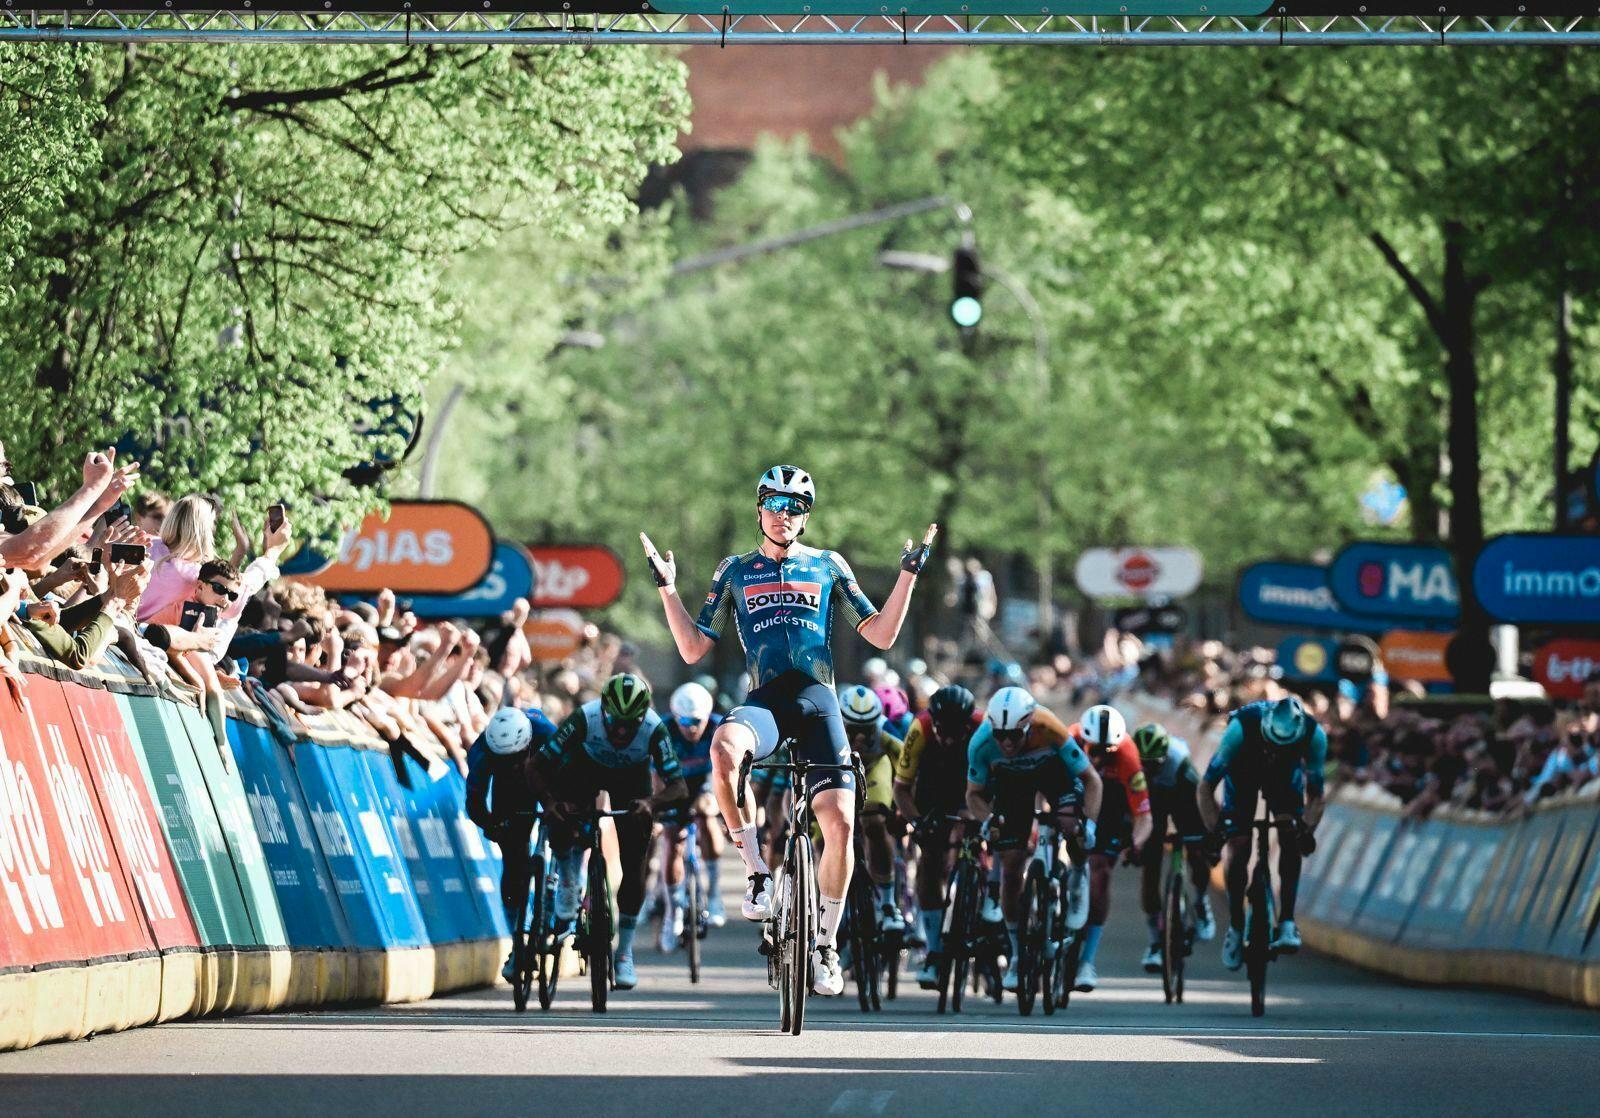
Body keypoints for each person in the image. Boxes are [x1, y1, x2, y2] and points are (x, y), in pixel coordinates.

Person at [641, 464, 935, 996]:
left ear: (806, 517)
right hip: (767, 705)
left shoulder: (828, 565)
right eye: (775, 504)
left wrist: (907, 577)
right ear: (759, 510)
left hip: (818, 703)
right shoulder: (735, 570)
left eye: (796, 507)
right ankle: (757, 872)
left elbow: (881, 635)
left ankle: (825, 945)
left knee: (841, 821)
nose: (784, 515)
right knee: (724, 748)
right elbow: (693, 648)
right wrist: (668, 589)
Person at [529, 673, 688, 992]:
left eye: (630, 725)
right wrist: (549, 803)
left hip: (631, 779)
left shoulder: (654, 728)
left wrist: (651, 803)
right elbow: (537, 766)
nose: (620, 731)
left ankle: (624, 953)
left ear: (643, 717)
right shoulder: (584, 719)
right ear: (603, 712)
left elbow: (679, 787)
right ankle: (569, 877)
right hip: (585, 768)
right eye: (615, 722)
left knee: (635, 864)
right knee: (563, 814)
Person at [965, 686, 1103, 995]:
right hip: (1013, 785)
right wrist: (988, 820)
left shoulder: (1049, 727)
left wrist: (1089, 825)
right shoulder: (981, 742)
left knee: (1070, 824)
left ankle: (1077, 873)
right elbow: (974, 795)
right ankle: (1017, 955)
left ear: (1029, 726)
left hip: (1054, 775)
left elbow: (1092, 780)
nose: (1007, 742)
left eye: (1014, 735)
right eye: (1001, 736)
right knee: (1012, 866)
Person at [1197, 694, 1327, 970]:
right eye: (1273, 745)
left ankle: (1287, 921)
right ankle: (1235, 925)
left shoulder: (1314, 735)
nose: (1276, 751)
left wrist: (1306, 831)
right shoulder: (1240, 729)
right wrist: (1216, 831)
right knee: (1238, 843)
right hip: (1243, 769)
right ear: (1266, 729)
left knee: (1290, 834)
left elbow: (1316, 795)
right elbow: (1206, 787)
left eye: (1284, 747)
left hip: (1284, 776)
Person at [892, 683, 983, 989]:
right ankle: (934, 950)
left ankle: (983, 908)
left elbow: (998, 781)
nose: (949, 738)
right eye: (943, 731)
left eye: (957, 732)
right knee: (931, 864)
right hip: (933, 789)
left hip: (973, 786)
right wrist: (917, 822)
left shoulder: (983, 728)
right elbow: (901, 789)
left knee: (976, 841)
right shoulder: (920, 729)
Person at [465, 706, 559, 983]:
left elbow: (573, 781)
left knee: (564, 825)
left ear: (527, 744)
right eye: (504, 760)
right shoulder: (482, 751)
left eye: (516, 757)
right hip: (511, 789)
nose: (513, 763)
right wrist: (492, 825)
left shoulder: (548, 736)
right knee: (513, 858)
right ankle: (518, 943)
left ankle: (560, 885)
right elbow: (475, 801)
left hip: (547, 773)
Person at [1067, 704, 1152, 992]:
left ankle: (1087, 961)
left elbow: (1144, 816)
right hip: (1075, 798)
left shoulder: (1127, 754)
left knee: (1100, 873)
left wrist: (1136, 843)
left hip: (1109, 809)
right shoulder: (1070, 739)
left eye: (1107, 752)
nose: (1100, 757)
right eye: (1095, 750)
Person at [1131, 722, 1216, 973]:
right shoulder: (1133, 765)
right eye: (1144, 764)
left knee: (1197, 851)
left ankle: (1201, 901)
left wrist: (1209, 839)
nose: (1149, 769)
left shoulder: (1181, 765)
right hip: (1152, 804)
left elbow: (1201, 802)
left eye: (1154, 764)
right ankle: (1155, 941)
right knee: (1150, 868)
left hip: (1182, 798)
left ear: (1165, 756)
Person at [659, 680, 728, 950]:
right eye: (685, 722)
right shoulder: (663, 730)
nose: (691, 728)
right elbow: (655, 775)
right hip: (673, 785)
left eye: (697, 721)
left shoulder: (719, 727)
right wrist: (659, 809)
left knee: (706, 817)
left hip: (706, 782)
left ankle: (714, 893)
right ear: (676, 717)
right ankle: (673, 911)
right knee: (671, 840)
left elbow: (726, 771)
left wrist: (712, 797)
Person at [839, 684, 906, 934]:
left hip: (873, 769)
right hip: (838, 771)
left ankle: (888, 904)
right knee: (823, 836)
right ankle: (834, 904)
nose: (859, 738)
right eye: (852, 730)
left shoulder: (884, 729)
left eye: (866, 730)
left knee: (875, 823)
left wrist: (901, 806)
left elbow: (906, 764)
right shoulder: (828, 725)